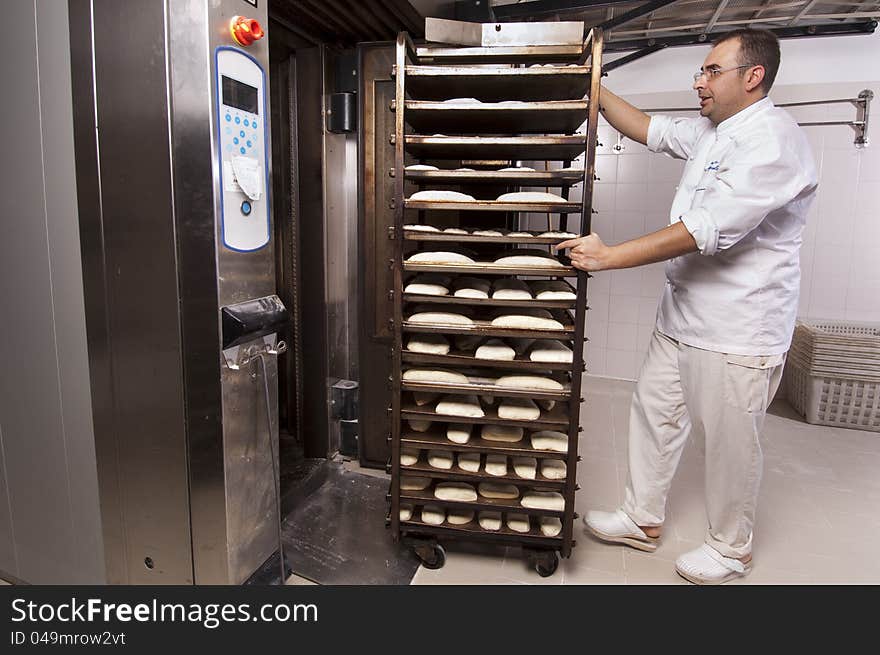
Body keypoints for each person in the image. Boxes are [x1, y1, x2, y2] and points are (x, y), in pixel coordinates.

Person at [555, 28, 818, 584]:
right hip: (683, 317)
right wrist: (593, 83)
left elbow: (704, 229)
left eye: (711, 70)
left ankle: (731, 548)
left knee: (728, 444)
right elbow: (648, 129)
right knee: (654, 415)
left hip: (737, 327)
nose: (698, 80)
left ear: (754, 77)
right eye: (700, 70)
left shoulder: (773, 141)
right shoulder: (713, 132)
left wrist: (609, 257)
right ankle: (641, 516)